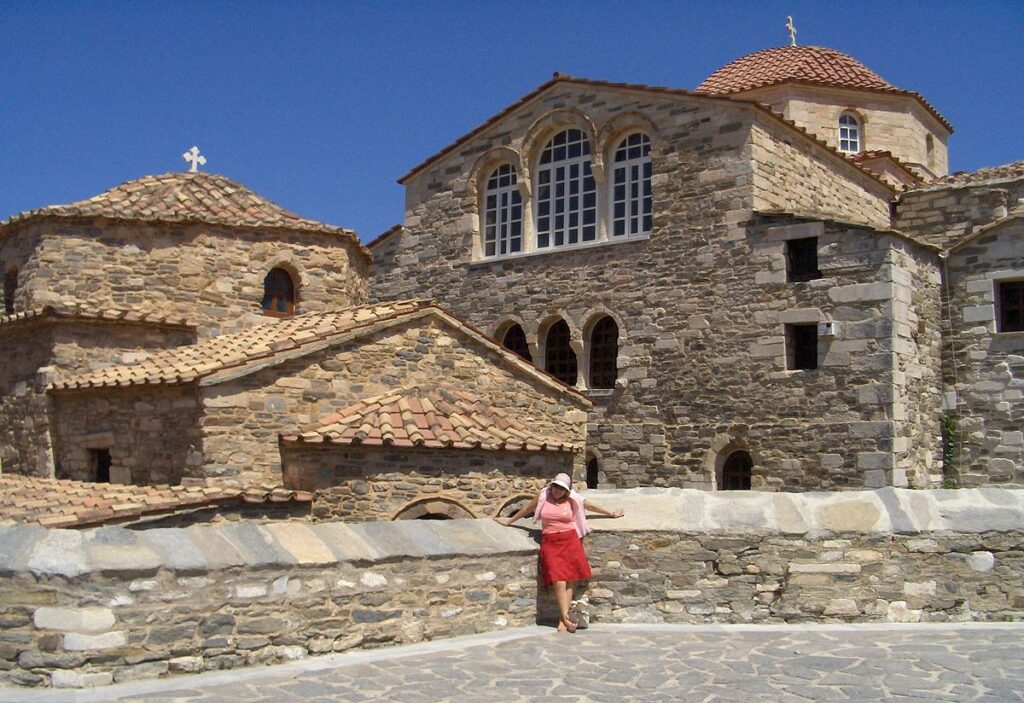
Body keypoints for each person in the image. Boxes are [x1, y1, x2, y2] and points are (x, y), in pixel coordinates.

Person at [493, 472, 624, 633]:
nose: (557, 491)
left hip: (570, 540)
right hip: (550, 541)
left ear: (567, 490)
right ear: (552, 485)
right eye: (555, 487)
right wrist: (509, 521)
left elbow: (588, 505)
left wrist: (611, 513)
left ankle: (563, 621)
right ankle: (566, 618)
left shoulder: (572, 498)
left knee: (570, 579)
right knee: (558, 580)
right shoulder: (543, 495)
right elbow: (527, 508)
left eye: (561, 489)